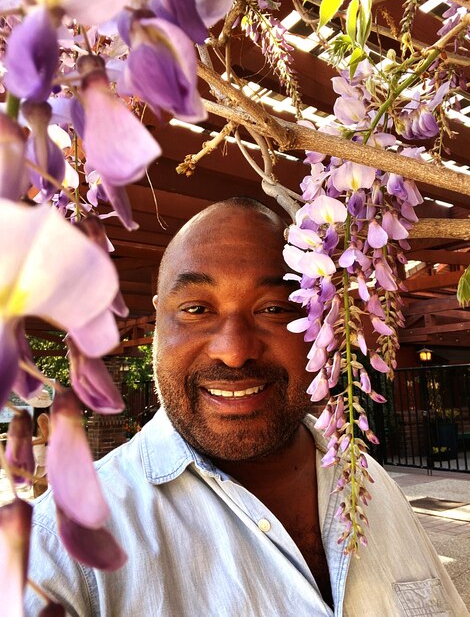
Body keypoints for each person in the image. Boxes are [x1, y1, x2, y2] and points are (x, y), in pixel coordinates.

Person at [25, 198, 468, 616]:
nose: (234, 351)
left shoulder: (368, 483)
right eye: (197, 309)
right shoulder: (56, 545)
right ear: (160, 319)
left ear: (322, 325)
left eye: (274, 308)